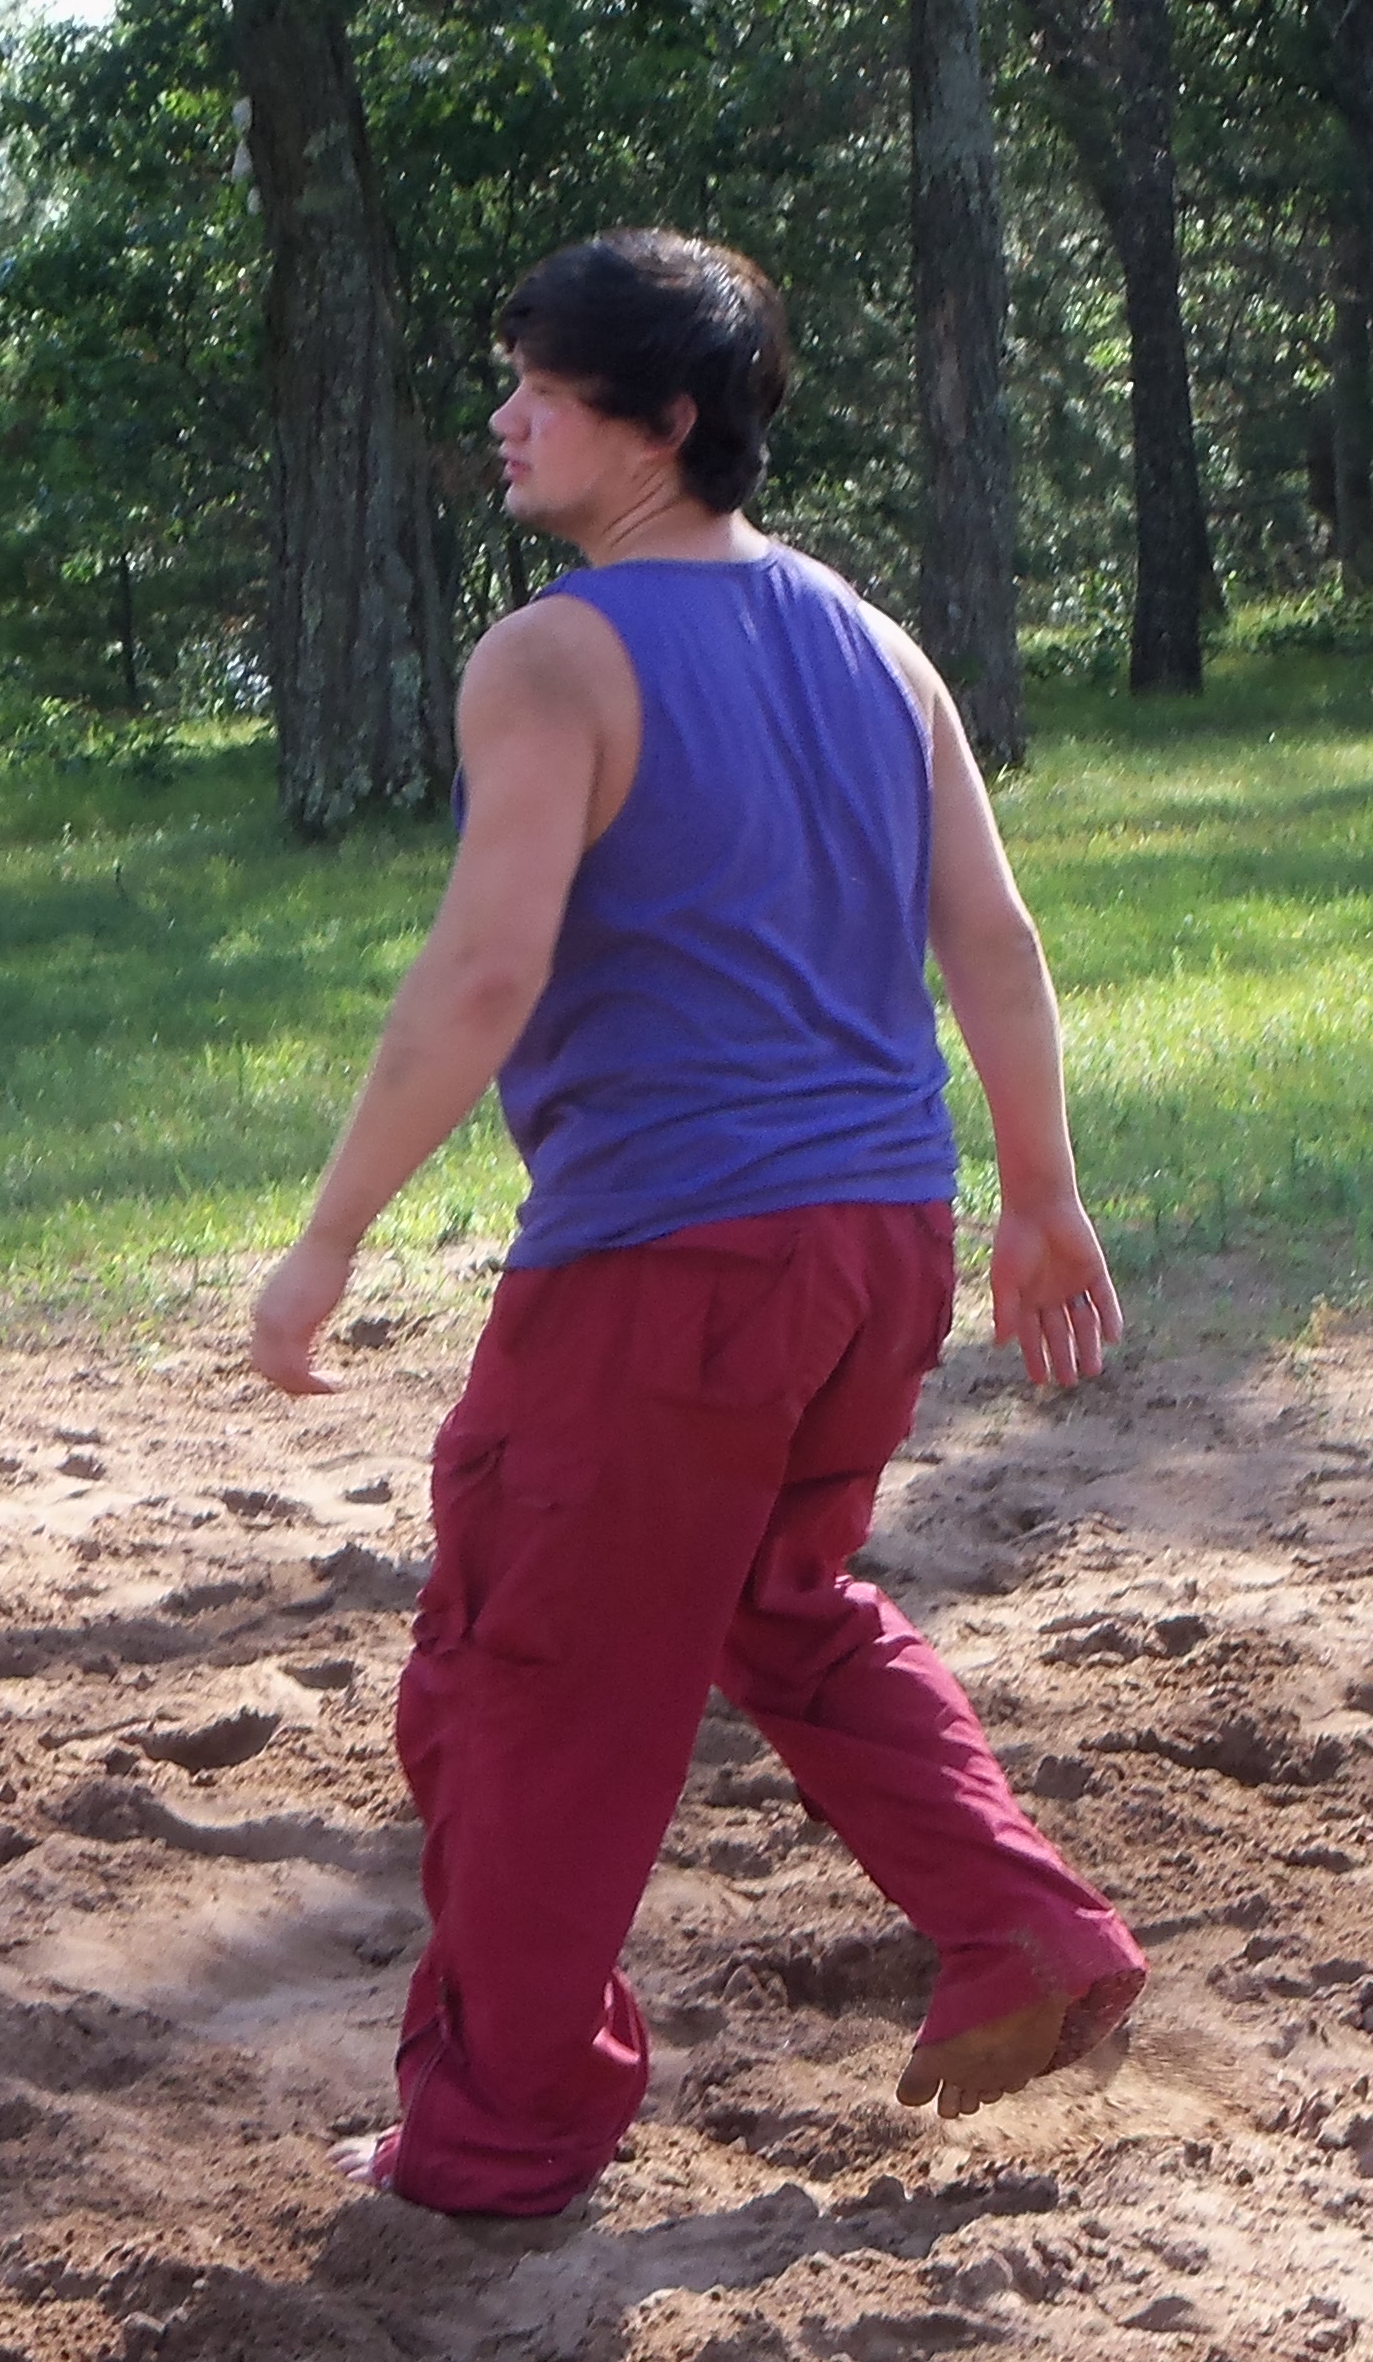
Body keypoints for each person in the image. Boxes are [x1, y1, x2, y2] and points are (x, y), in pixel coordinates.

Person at [249, 230, 1146, 2220]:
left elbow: (483, 974)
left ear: (658, 426)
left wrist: (326, 1237)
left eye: (541, 389)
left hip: (671, 1266)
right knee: (776, 1601)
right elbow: (994, 941)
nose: (504, 418)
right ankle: (1024, 1932)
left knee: (525, 1686)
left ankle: (496, 2140)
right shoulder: (877, 642)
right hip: (879, 1243)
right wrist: (1038, 1194)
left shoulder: (553, 655)